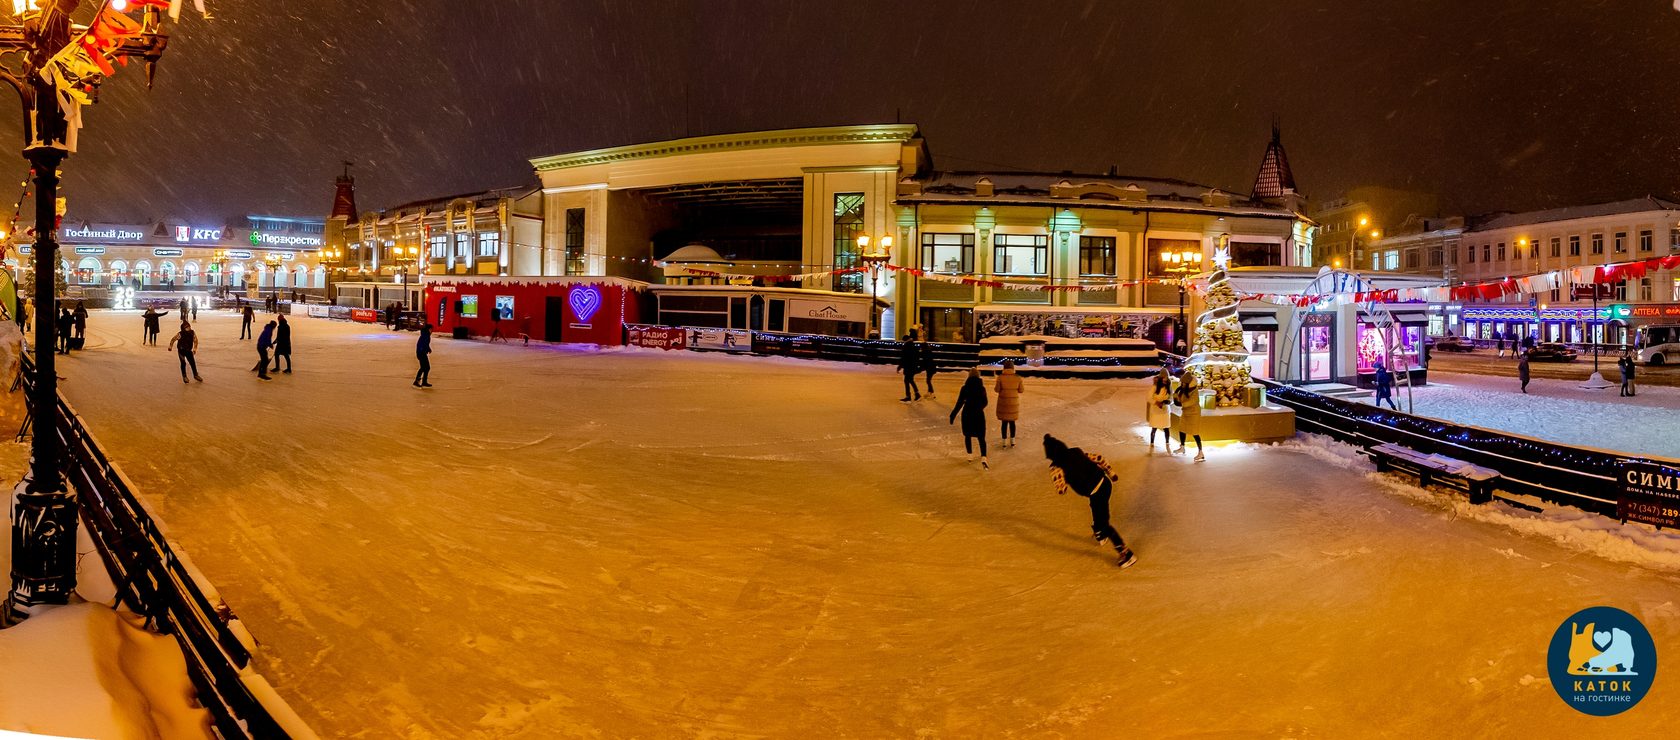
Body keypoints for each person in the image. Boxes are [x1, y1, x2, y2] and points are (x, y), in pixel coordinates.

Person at [1043, 434, 1136, 569]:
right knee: (1096, 508)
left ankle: (1126, 554)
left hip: (1096, 492)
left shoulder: (1056, 467)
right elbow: (1098, 458)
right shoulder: (1076, 451)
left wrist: (1061, 487)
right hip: (1105, 484)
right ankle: (1100, 534)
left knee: (1103, 523)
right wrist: (1111, 473)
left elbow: (1060, 486)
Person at [949, 367, 991, 469]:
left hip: (967, 413)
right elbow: (985, 402)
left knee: (968, 435)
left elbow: (959, 403)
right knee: (981, 437)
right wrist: (979, 407)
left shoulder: (965, 388)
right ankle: (984, 458)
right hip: (978, 414)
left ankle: (969, 456)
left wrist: (953, 415)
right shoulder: (982, 388)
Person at [1173, 371, 1205, 461]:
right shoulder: (1183, 389)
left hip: (1194, 414)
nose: (1182, 384)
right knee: (1182, 429)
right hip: (1186, 413)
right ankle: (1182, 446)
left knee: (1195, 433)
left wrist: (1182, 404)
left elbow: (1191, 402)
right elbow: (1180, 400)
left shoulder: (1194, 391)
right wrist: (1176, 396)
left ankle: (1201, 452)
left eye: (1183, 383)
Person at [994, 359, 1024, 448]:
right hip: (1013, 404)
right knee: (1012, 423)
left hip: (1003, 403)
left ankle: (1003, 442)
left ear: (1004, 367)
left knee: (1004, 423)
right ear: (1012, 367)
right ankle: (1013, 441)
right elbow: (1021, 390)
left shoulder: (1000, 377)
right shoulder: (1018, 377)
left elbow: (997, 390)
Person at [1147, 367, 1173, 452]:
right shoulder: (1155, 386)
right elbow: (1148, 397)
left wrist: (1167, 402)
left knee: (1166, 428)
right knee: (1154, 427)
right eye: (1163, 378)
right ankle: (1152, 442)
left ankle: (1167, 443)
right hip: (1156, 410)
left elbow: (1171, 398)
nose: (1165, 380)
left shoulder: (1169, 386)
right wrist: (1156, 402)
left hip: (1165, 410)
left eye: (1166, 379)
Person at [898, 333, 921, 402]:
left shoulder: (907, 346)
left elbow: (904, 357)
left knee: (907, 380)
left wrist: (900, 366)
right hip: (913, 366)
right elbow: (916, 356)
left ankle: (908, 396)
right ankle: (917, 394)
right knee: (910, 380)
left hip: (908, 366)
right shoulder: (913, 345)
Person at [415, 322, 433, 387]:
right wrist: (425, 349)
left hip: (421, 352)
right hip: (421, 353)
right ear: (428, 329)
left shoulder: (425, 334)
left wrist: (428, 349)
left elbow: (425, 344)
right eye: (431, 329)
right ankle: (417, 381)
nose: (432, 331)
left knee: (426, 367)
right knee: (424, 367)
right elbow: (423, 344)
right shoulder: (426, 335)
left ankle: (424, 381)